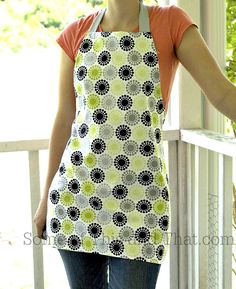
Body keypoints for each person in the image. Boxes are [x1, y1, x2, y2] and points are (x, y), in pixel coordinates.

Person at [33, 0, 236, 288]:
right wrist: (44, 201)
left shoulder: (171, 22)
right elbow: (64, 119)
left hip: (141, 205)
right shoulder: (75, 33)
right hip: (76, 199)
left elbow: (223, 94)